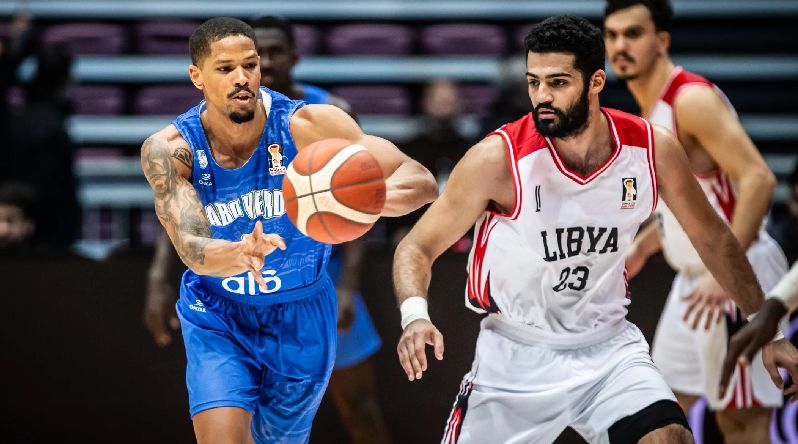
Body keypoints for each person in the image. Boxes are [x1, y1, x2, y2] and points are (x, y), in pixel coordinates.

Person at [392, 15, 775, 443]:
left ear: (595, 81)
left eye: (557, 82)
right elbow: (416, 247)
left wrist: (767, 326)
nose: (541, 96)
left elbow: (713, 236)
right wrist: (414, 316)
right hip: (517, 355)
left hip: (608, 349)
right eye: (533, 82)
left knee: (670, 437)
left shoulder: (651, 149)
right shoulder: (498, 159)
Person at [140, 17, 437, 444]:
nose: (242, 78)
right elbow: (190, 246)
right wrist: (240, 254)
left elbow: (420, 180)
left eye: (250, 64)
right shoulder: (170, 150)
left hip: (301, 311)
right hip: (218, 311)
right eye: (225, 69)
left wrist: (365, 199)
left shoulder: (309, 125)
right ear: (197, 76)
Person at [603, 1, 789, 441]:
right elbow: (691, 203)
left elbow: (759, 180)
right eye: (611, 36)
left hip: (735, 277)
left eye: (633, 33)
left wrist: (724, 271)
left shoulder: (690, 100)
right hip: (692, 284)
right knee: (659, 412)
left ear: (662, 41)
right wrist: (645, 246)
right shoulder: (648, 111)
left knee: (741, 424)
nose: (619, 45)